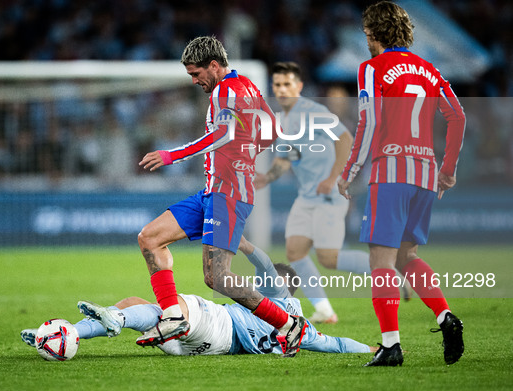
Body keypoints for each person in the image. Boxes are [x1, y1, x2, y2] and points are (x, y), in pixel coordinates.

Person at [137, 36, 307, 357]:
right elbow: (272, 129)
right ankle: (173, 316)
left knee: (218, 278)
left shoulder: (226, 89)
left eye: (196, 73)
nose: (194, 80)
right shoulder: (249, 88)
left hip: (227, 195)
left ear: (214, 65)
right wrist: (245, 156)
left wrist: (172, 155)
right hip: (214, 191)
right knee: (150, 238)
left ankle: (288, 323)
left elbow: (224, 133)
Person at [337, 1, 466, 366]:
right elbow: (457, 116)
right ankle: (445, 317)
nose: (366, 41)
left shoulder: (372, 68)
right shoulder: (430, 69)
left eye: (366, 34)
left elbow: (369, 122)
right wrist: (447, 169)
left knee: (381, 261)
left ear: (373, 33)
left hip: (390, 169)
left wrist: (349, 170)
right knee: (408, 256)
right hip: (425, 171)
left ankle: (391, 345)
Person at [21, 237, 375, 356]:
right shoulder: (302, 328)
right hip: (205, 347)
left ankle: (115, 322)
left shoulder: (277, 294)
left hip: (221, 327)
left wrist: (244, 243)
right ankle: (63, 334)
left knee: (176, 307)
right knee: (135, 303)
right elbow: (336, 344)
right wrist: (371, 348)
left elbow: (265, 264)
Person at [255, 62, 408, 325]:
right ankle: (325, 310)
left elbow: (345, 141)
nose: (281, 90)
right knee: (295, 251)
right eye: (277, 85)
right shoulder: (285, 121)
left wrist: (332, 177)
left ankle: (388, 271)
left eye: (287, 84)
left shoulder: (314, 112)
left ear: (299, 86)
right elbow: (285, 159)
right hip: (306, 196)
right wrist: (267, 177)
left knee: (329, 258)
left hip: (328, 194)